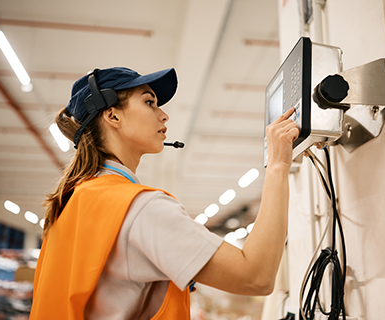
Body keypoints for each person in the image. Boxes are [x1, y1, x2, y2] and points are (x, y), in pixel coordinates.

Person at [30, 66, 298, 320]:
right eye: (149, 102)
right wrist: (278, 165)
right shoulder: (139, 207)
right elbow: (254, 276)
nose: (164, 115)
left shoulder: (72, 201)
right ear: (113, 116)